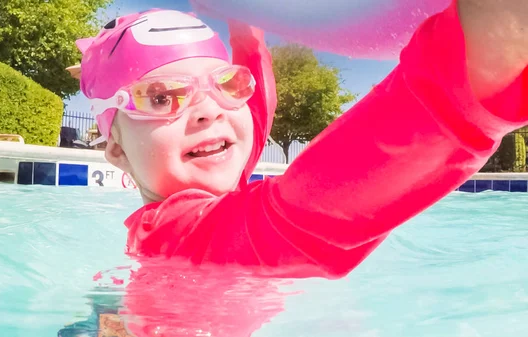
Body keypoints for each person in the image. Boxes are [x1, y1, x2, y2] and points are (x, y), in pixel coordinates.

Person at [60, 0, 528, 335]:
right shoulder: (168, 231)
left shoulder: (212, 196)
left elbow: (253, 118)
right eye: (162, 98)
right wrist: (464, 93)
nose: (210, 111)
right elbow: (296, 222)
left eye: (226, 85)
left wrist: (247, 32)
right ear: (116, 150)